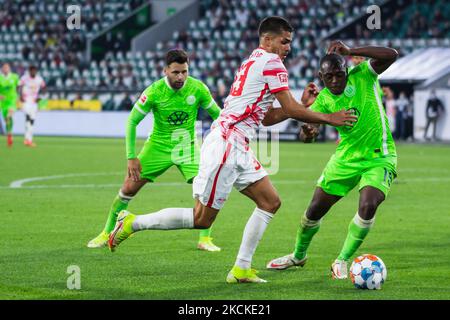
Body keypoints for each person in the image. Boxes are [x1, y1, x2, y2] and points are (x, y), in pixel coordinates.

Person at [107, 17, 356, 284]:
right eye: (284, 41)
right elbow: (292, 109)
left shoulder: (252, 61)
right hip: (228, 144)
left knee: (270, 202)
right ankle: (133, 223)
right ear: (267, 40)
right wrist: (329, 117)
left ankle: (241, 269)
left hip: (236, 143)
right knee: (201, 219)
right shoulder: (272, 63)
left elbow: (266, 117)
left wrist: (303, 105)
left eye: (290, 43)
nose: (288, 48)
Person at [266, 41, 399, 280]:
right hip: (345, 158)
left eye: (340, 74)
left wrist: (352, 51)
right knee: (313, 212)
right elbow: (307, 135)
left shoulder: (363, 75)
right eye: (330, 76)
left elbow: (391, 54)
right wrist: (308, 133)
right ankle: (298, 255)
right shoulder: (324, 100)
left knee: (368, 205)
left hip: (380, 155)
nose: (336, 80)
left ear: (347, 70)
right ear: (321, 76)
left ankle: (342, 260)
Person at [87, 49, 223, 252]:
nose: (181, 77)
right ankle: (106, 232)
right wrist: (131, 157)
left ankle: (205, 239)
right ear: (165, 70)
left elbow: (219, 116)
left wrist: (221, 140)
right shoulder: (153, 91)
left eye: (184, 72)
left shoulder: (198, 88)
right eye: (176, 72)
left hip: (187, 146)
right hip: (157, 146)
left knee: (204, 190)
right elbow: (132, 121)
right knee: (128, 189)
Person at [19, 65, 46, 147]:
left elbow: (44, 88)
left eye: (34, 70)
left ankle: (28, 139)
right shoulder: (24, 78)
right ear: (29, 71)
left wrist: (41, 97)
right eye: (32, 70)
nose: (33, 72)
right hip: (26, 100)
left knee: (32, 121)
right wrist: (20, 96)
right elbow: (19, 86)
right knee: (28, 118)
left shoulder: (39, 79)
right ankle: (27, 139)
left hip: (34, 102)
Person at [0, 63, 20, 147]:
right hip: (3, 102)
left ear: (9, 69)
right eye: (4, 68)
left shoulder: (15, 77)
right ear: (2, 69)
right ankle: (9, 134)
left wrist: (18, 96)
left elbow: (19, 87)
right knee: (7, 120)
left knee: (9, 115)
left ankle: (9, 134)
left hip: (12, 100)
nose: (5, 69)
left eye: (7, 67)